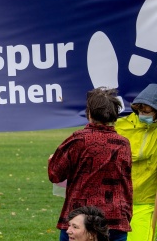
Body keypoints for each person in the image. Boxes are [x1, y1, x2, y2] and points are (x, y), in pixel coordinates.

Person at [48, 87, 132, 241]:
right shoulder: (124, 143)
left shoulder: (78, 140)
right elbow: (126, 183)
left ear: (90, 113)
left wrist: (52, 160)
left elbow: (55, 174)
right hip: (115, 218)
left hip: (80, 219)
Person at [115, 83, 157, 241]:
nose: (142, 114)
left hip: (145, 201)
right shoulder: (121, 126)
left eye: (147, 112)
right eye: (140, 110)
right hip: (117, 199)